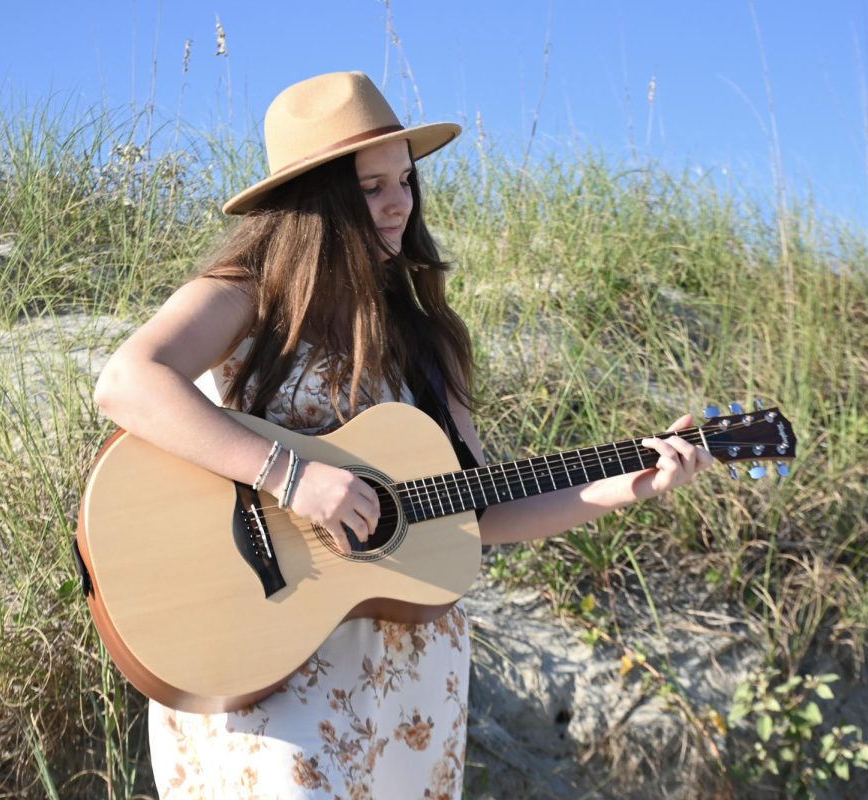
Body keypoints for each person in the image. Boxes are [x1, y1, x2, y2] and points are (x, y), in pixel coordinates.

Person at [93, 70, 714, 799]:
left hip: (405, 675)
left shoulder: (426, 339)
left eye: (405, 180)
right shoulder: (245, 295)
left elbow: (477, 513)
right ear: (316, 201)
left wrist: (627, 484)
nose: (399, 203)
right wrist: (295, 478)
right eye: (371, 187)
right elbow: (127, 382)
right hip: (262, 639)